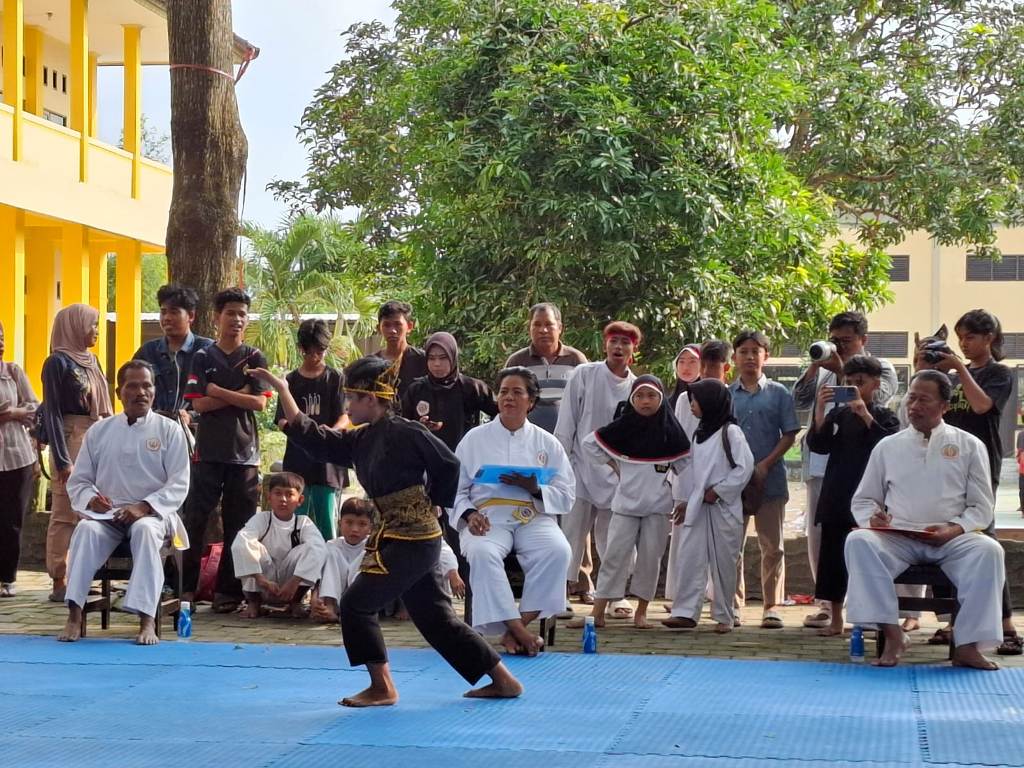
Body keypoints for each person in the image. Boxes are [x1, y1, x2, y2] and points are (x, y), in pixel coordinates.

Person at [252, 356, 522, 705]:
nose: (348, 405)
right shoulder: (361, 439)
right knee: (436, 620)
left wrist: (435, 502)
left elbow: (449, 464)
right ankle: (504, 680)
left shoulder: (408, 431)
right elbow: (316, 436)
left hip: (416, 539)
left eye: (352, 398)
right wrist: (283, 389)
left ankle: (382, 686)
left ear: (370, 399)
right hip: (398, 537)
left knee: (355, 605)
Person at [844, 370, 1005, 670]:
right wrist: (874, 520)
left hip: (952, 538)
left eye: (924, 400)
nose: (914, 406)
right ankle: (893, 634)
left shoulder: (969, 445)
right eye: (911, 398)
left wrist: (954, 528)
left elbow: (982, 507)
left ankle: (968, 646)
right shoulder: (888, 446)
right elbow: (864, 500)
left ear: (944, 406)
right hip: (899, 537)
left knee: (989, 551)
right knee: (858, 540)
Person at [57, 360, 190, 645]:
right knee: (85, 531)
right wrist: (92, 501)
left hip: (154, 515)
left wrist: (143, 507)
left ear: (154, 391)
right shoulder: (100, 431)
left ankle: (146, 621)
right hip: (110, 517)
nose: (141, 392)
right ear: (119, 392)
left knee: (143, 532)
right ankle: (74, 614)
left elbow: (179, 484)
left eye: (147, 385)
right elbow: (78, 481)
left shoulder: (169, 431)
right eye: (133, 386)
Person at [453, 367, 575, 655]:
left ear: (531, 401)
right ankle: (520, 632)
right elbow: (454, 489)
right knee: (482, 552)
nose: (509, 397)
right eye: (504, 391)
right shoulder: (474, 439)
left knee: (558, 551)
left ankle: (514, 630)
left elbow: (567, 495)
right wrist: (469, 515)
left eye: (517, 392)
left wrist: (534, 489)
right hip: (488, 516)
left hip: (532, 515)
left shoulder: (548, 442)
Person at [792, 311, 898, 629]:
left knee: (870, 545)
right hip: (829, 472)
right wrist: (817, 362)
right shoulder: (824, 366)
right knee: (825, 542)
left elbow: (880, 400)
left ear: (863, 339)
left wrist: (843, 373)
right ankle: (828, 606)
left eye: (846, 340)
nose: (838, 345)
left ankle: (871, 612)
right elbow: (799, 398)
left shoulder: (882, 367)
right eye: (834, 339)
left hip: (868, 475)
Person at [931, 309, 1020, 656]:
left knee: (985, 540)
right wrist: (930, 370)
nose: (964, 344)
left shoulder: (999, 373)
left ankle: (1007, 625)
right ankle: (955, 622)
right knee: (946, 537)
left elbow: (983, 406)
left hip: (981, 464)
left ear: (990, 339)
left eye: (970, 337)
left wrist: (959, 369)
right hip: (946, 463)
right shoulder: (950, 376)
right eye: (960, 338)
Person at [571, 375, 689, 630]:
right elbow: (589, 444)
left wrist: (680, 497)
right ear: (631, 400)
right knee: (613, 557)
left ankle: (642, 613)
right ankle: (598, 612)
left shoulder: (671, 432)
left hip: (658, 508)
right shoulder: (622, 428)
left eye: (651, 396)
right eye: (639, 396)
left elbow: (686, 466)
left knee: (650, 559)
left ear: (661, 399)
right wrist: (613, 464)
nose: (645, 402)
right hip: (624, 506)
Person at [181, 287, 272, 613]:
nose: (236, 319)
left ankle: (228, 593)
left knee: (240, 525)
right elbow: (199, 404)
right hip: (207, 452)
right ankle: (185, 589)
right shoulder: (203, 356)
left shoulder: (254, 357)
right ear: (218, 316)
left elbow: (259, 402)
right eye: (230, 312)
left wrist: (218, 390)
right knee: (194, 519)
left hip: (245, 454)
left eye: (242, 314)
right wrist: (237, 393)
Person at [555, 321, 640, 617]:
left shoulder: (637, 387)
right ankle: (560, 593)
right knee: (570, 533)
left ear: (633, 349)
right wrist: (560, 465)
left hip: (616, 472)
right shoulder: (584, 374)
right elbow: (567, 422)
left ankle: (616, 595)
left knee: (616, 537)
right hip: (578, 466)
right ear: (605, 344)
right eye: (614, 341)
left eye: (625, 342)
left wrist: (628, 472)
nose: (619, 347)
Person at [663, 379, 754, 632]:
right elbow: (692, 472)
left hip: (723, 509)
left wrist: (718, 491)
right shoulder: (699, 434)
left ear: (711, 403)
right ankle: (685, 612)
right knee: (690, 558)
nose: (692, 405)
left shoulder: (731, 432)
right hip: (698, 506)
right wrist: (686, 500)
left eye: (696, 400)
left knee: (723, 562)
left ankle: (725, 615)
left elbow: (744, 468)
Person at [41, 303, 114, 602]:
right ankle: (59, 578)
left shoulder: (91, 361)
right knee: (64, 512)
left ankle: (82, 575)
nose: (96, 330)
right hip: (71, 436)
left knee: (93, 510)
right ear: (74, 326)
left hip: (95, 435)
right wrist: (62, 459)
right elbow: (53, 413)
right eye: (92, 325)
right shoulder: (57, 363)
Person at [730, 331, 800, 629]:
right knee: (732, 546)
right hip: (733, 483)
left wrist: (765, 464)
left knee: (773, 546)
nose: (749, 357)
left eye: (755, 351)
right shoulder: (726, 394)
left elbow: (790, 433)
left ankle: (772, 605)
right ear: (734, 357)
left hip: (770, 481)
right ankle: (732, 605)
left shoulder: (779, 393)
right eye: (743, 351)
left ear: (766, 356)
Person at [664, 340, 730, 606]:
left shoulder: (729, 395)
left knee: (720, 542)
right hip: (687, 477)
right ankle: (680, 596)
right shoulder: (684, 398)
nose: (709, 370)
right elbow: (679, 442)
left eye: (715, 365)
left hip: (719, 484)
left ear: (726, 367)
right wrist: (681, 490)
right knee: (683, 540)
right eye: (706, 365)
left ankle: (719, 598)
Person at [275, 319, 346, 541]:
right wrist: (299, 433)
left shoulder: (335, 378)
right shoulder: (290, 381)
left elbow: (345, 417)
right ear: (301, 349)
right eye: (310, 351)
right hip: (297, 461)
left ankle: (328, 572)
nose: (315, 357)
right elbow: (281, 420)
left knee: (327, 524)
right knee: (295, 524)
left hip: (328, 465)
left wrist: (330, 433)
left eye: (320, 351)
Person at [232, 472, 328, 619]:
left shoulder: (303, 523)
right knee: (246, 542)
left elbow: (318, 548)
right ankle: (253, 603)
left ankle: (296, 603)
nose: (283, 499)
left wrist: (294, 581)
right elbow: (241, 542)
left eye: (289, 494)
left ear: (300, 500)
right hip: (264, 582)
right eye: (278, 494)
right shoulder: (261, 519)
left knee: (313, 548)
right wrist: (260, 579)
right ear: (269, 497)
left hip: (291, 584)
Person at [401, 331, 498, 452]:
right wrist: (419, 427)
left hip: (464, 457)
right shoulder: (416, 390)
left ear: (453, 357)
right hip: (425, 460)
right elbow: (403, 428)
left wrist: (483, 436)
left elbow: (500, 413)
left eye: (443, 358)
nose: (437, 364)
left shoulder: (472, 387)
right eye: (431, 358)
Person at [133, 283, 213, 423]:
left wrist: (191, 416)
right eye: (163, 312)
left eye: (174, 312)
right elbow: (130, 389)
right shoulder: (147, 352)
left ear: (191, 316)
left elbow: (218, 396)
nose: (167, 318)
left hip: (195, 433)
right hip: (153, 431)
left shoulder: (207, 350)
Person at [0, 320, 39, 597]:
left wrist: (14, 412)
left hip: (17, 456)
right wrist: (12, 413)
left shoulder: (13, 372)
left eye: (1, 336)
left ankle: (6, 577)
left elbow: (34, 408)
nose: (1, 342)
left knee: (12, 519)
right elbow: (20, 412)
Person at [505, 303, 588, 432]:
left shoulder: (576, 360)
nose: (543, 330)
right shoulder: (517, 361)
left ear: (560, 328)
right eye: (537, 325)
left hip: (568, 442)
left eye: (549, 324)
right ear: (529, 328)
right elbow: (506, 402)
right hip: (526, 441)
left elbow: (588, 403)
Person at [312, 497, 374, 624]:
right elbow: (319, 576)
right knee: (332, 553)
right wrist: (315, 596)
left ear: (370, 528)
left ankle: (356, 611)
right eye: (349, 523)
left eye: (362, 524)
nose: (355, 529)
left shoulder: (373, 545)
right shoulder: (331, 545)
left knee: (365, 555)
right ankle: (330, 606)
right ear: (340, 524)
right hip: (337, 596)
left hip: (362, 599)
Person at [371, 300, 427, 401]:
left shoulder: (423, 360)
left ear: (409, 326)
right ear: (379, 328)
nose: (392, 330)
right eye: (387, 325)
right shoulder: (371, 364)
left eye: (397, 324)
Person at [668, 344, 701, 412]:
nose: (686, 367)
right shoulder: (668, 404)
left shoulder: (708, 399)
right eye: (682, 361)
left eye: (692, 362)